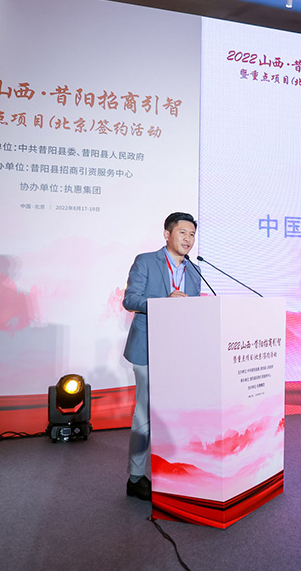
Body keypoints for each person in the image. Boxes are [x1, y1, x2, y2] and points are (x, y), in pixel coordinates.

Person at [122, 212, 202, 500]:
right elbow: (130, 299)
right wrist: (163, 303)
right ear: (167, 234)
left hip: (177, 352)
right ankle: (135, 478)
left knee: (176, 414)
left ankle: (171, 470)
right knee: (145, 414)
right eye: (182, 233)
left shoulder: (195, 271)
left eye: (192, 234)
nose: (188, 239)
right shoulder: (146, 261)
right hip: (147, 349)